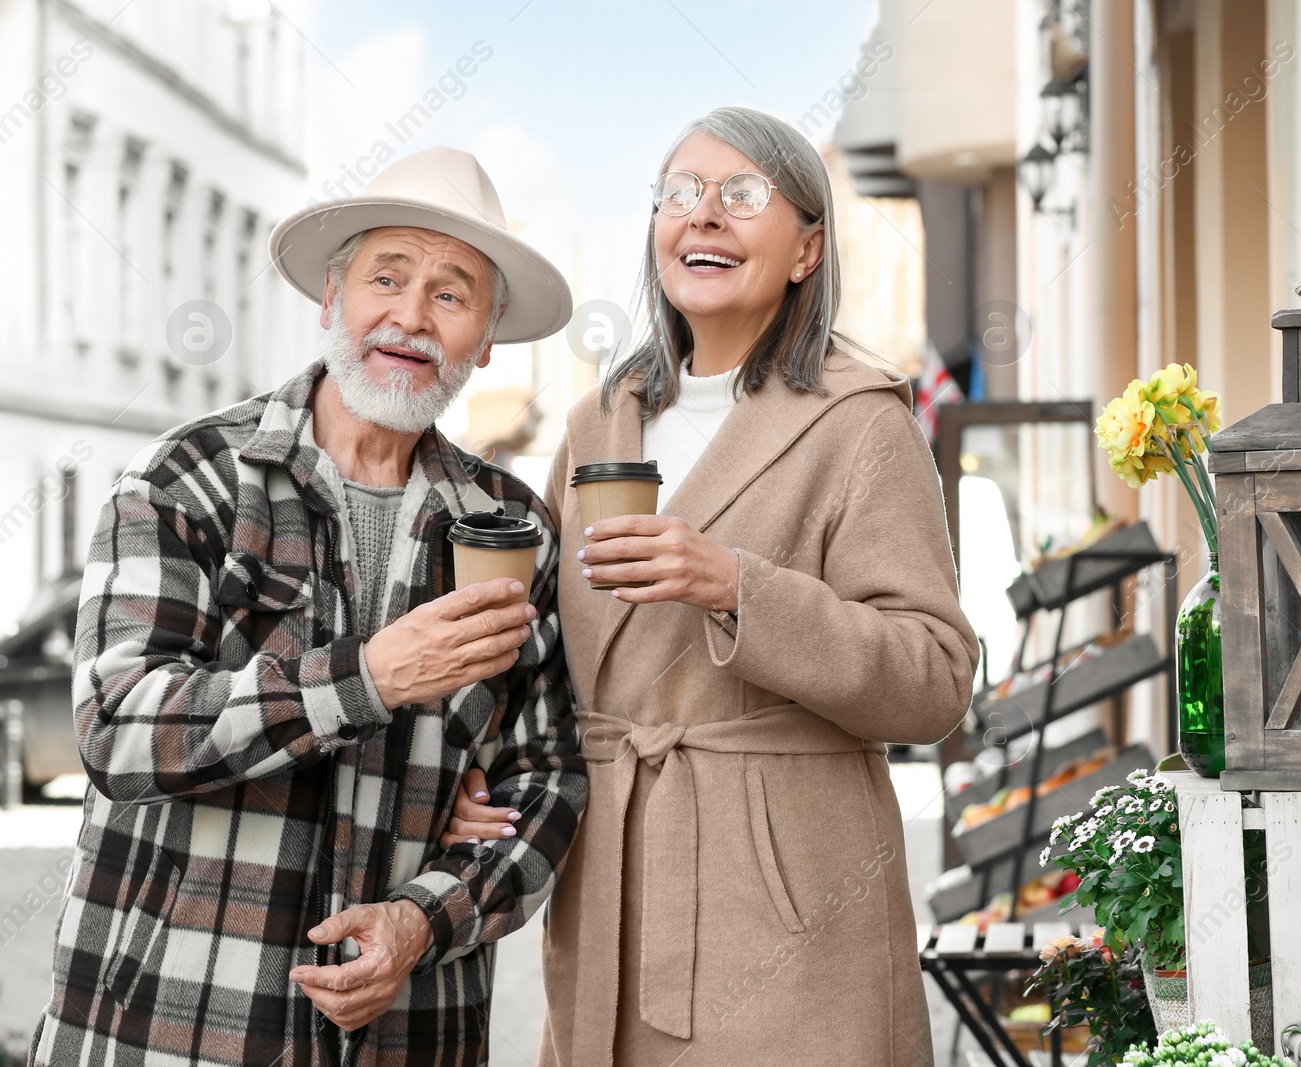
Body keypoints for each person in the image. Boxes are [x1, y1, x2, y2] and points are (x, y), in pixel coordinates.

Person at [31, 147, 587, 1067]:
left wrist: (423, 917)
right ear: (332, 299)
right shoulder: (188, 482)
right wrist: (366, 680)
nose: (411, 316)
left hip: (411, 1032)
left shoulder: (512, 524)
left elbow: (552, 777)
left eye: (451, 294)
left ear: (486, 338)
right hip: (173, 1026)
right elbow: (118, 728)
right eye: (387, 277)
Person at [446, 107, 980, 1065]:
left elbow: (935, 680)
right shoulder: (600, 420)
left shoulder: (861, 423)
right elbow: (545, 660)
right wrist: (478, 768)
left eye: (742, 196)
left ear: (808, 248)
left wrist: (739, 587)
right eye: (680, 195)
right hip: (611, 881)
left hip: (790, 900)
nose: (705, 218)